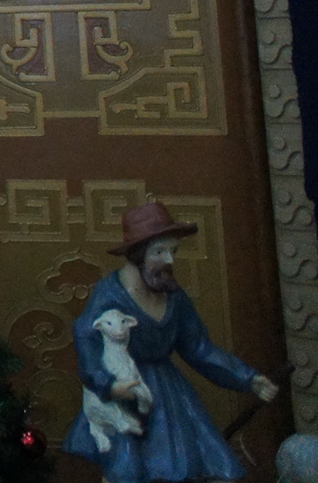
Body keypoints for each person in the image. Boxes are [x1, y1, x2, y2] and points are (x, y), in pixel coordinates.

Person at [66, 201, 279, 481]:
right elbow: (88, 340)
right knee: (128, 468)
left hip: (169, 396)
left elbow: (198, 348)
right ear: (138, 254)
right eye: (160, 252)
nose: (169, 260)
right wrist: (109, 384)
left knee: (186, 463)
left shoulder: (173, 296)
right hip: (126, 391)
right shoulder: (109, 294)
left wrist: (247, 378)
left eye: (173, 251)